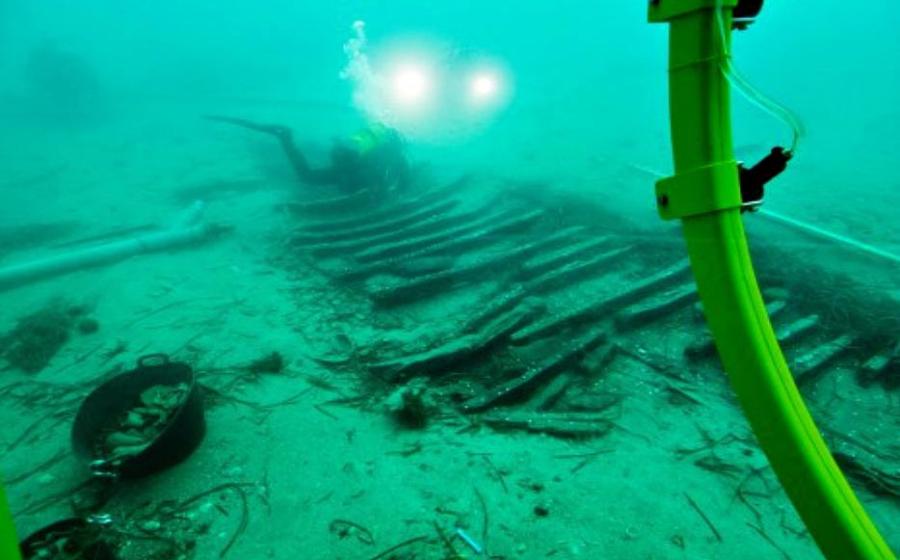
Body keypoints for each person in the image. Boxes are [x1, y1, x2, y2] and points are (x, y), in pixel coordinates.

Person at [205, 116, 410, 195]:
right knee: (313, 178)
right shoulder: (394, 155)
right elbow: (396, 182)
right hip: (349, 167)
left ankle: (286, 138)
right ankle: (286, 137)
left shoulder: (378, 146)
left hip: (343, 158)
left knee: (307, 176)